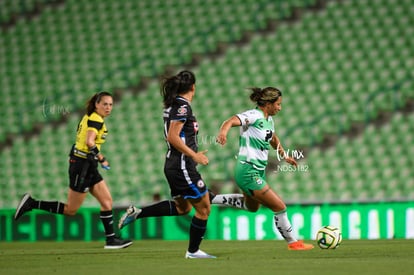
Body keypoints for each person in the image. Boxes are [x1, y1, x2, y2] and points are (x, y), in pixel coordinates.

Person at [14, 91, 132, 249]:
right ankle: (32, 203)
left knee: (107, 201)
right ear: (97, 105)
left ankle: (111, 240)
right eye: (105, 104)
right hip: (81, 165)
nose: (108, 107)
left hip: (88, 164)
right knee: (71, 210)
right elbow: (90, 142)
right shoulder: (96, 119)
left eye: (111, 104)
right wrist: (102, 158)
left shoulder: (90, 116)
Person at [118, 70, 216, 259]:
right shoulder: (183, 108)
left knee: (183, 208)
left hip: (173, 165)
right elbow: (172, 136)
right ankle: (193, 252)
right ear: (193, 87)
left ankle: (137, 213)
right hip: (182, 166)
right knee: (204, 209)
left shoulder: (173, 105)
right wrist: (194, 155)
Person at [213, 87, 314, 250]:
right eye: (278, 104)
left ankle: (210, 198)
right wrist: (223, 133)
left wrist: (284, 155)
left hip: (257, 170)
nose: (280, 108)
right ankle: (293, 243)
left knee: (252, 207)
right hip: (248, 170)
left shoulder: (269, 120)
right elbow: (230, 121)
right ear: (268, 103)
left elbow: (272, 138)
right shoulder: (254, 116)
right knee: (280, 207)